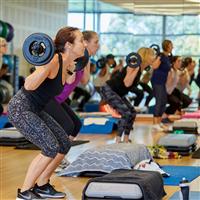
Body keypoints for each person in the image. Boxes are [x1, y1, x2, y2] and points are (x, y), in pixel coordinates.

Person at [8, 26, 86, 200]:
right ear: (69, 44)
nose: (84, 44)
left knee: (63, 144)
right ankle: (25, 192)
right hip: (21, 108)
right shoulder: (54, 60)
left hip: (36, 108)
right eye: (81, 40)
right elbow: (28, 86)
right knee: (50, 146)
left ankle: (42, 185)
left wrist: (70, 68)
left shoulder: (66, 63)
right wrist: (42, 68)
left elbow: (65, 83)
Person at [44, 30, 99, 142]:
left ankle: (60, 155)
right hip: (50, 98)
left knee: (76, 125)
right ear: (85, 42)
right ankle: (55, 154)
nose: (98, 46)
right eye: (96, 42)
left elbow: (85, 80)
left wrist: (86, 59)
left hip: (60, 99)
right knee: (67, 126)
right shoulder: (72, 57)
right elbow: (69, 80)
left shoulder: (83, 59)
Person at [99, 47, 160, 143]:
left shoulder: (141, 68)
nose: (154, 57)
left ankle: (126, 139)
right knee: (126, 113)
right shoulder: (134, 65)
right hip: (109, 90)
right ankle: (118, 140)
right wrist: (136, 69)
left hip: (118, 93)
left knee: (132, 112)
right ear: (146, 56)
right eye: (152, 55)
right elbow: (127, 83)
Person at [151, 39, 173, 131]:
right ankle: (155, 124)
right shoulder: (161, 56)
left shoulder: (167, 57)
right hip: (157, 81)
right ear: (167, 46)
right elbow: (154, 66)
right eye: (171, 45)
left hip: (162, 82)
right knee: (159, 101)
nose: (172, 47)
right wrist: (159, 57)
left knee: (163, 101)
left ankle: (159, 122)